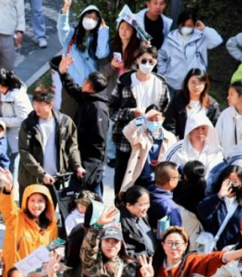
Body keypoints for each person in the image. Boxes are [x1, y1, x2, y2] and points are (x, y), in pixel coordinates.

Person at [109, 45, 171, 194]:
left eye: (151, 61)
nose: (147, 65)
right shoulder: (124, 82)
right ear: (137, 60)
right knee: (123, 179)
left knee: (145, 181)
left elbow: (165, 112)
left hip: (150, 141)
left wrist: (157, 120)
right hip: (126, 139)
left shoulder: (161, 84)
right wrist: (132, 113)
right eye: (144, 60)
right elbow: (112, 111)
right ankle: (120, 206)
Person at [55, 58, 108, 196]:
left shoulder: (98, 109)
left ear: (89, 86)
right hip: (80, 155)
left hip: (91, 161)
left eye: (85, 81)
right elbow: (72, 89)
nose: (82, 83)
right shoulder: (87, 97)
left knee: (91, 194)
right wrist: (63, 72)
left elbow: (98, 139)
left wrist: (88, 165)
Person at [117, 105, 177, 195]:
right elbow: (127, 131)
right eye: (150, 119)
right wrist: (144, 117)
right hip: (139, 179)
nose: (153, 123)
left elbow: (174, 160)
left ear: (163, 119)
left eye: (156, 120)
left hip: (159, 182)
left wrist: (163, 163)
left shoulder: (170, 137)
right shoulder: (140, 133)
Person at [198, 166, 242, 250]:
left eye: (235, 182)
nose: (231, 184)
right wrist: (219, 196)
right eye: (228, 181)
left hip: (235, 251)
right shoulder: (213, 198)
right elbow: (202, 213)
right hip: (214, 250)